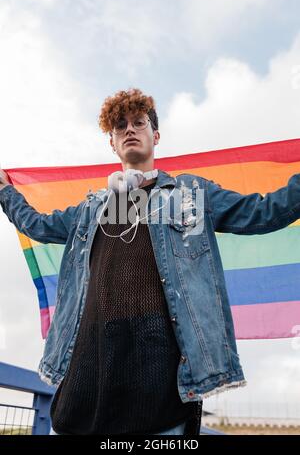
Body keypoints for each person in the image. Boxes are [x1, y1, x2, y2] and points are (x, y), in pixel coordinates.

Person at [1, 88, 300, 436]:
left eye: (139, 123)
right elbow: (37, 225)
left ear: (155, 136)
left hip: (158, 381)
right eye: (120, 126)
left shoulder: (189, 194)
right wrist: (6, 192)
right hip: (88, 376)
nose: (129, 129)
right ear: (112, 144)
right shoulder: (93, 208)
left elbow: (261, 212)